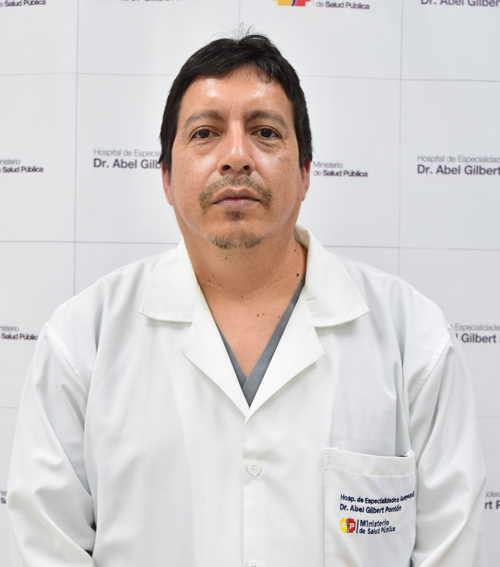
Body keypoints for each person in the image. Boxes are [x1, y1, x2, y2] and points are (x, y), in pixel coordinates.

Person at [7, 34, 486, 566]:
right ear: (166, 177)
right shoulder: (83, 343)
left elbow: (450, 549)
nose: (236, 156)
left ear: (305, 172)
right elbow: (45, 547)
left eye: (265, 132)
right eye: (205, 133)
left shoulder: (412, 340)